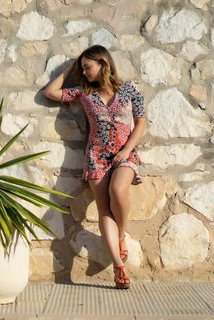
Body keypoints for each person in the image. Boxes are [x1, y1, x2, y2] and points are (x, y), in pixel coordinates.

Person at [42, 45, 147, 290]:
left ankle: (120, 236)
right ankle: (119, 268)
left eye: (87, 67)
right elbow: (50, 92)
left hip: (125, 153)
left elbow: (141, 123)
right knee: (104, 210)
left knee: (118, 191)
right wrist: (70, 67)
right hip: (96, 157)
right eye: (82, 69)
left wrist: (126, 150)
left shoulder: (130, 89)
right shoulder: (84, 93)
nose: (85, 72)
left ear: (103, 63)